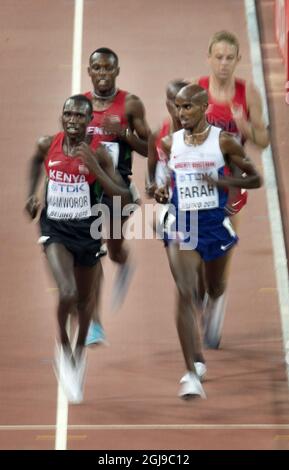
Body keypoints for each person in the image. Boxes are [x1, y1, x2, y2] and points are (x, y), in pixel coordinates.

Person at [155, 84, 262, 399]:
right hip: (183, 224)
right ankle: (191, 371)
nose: (181, 113)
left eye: (188, 107)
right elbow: (158, 179)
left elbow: (254, 178)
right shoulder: (168, 142)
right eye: (177, 107)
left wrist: (221, 181)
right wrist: (158, 190)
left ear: (203, 108)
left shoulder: (224, 141)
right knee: (185, 293)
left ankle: (214, 298)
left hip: (214, 224)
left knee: (213, 288)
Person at [25, 94, 132, 403]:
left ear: (89, 122)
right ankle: (62, 344)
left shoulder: (99, 153)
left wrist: (96, 170)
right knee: (68, 293)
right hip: (55, 229)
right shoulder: (49, 144)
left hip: (87, 232)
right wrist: (32, 195)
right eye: (67, 114)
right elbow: (35, 161)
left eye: (79, 116)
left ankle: (80, 349)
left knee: (85, 303)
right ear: (62, 117)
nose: (72, 119)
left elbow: (121, 195)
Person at [191, 30, 269, 347]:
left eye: (229, 58)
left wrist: (244, 124)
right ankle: (203, 293)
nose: (223, 64)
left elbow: (263, 142)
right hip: (199, 180)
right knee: (194, 249)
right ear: (209, 58)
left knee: (222, 246)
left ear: (238, 60)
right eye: (218, 57)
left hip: (232, 180)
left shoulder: (248, 93)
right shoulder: (197, 91)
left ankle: (217, 297)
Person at [84, 47, 151, 345]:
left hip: (118, 191)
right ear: (89, 72)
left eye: (107, 68)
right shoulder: (80, 106)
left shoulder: (130, 104)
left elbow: (152, 150)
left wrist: (123, 133)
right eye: (96, 68)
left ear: (117, 71)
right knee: (90, 252)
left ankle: (123, 262)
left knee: (113, 249)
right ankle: (94, 325)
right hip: (87, 191)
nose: (102, 74)